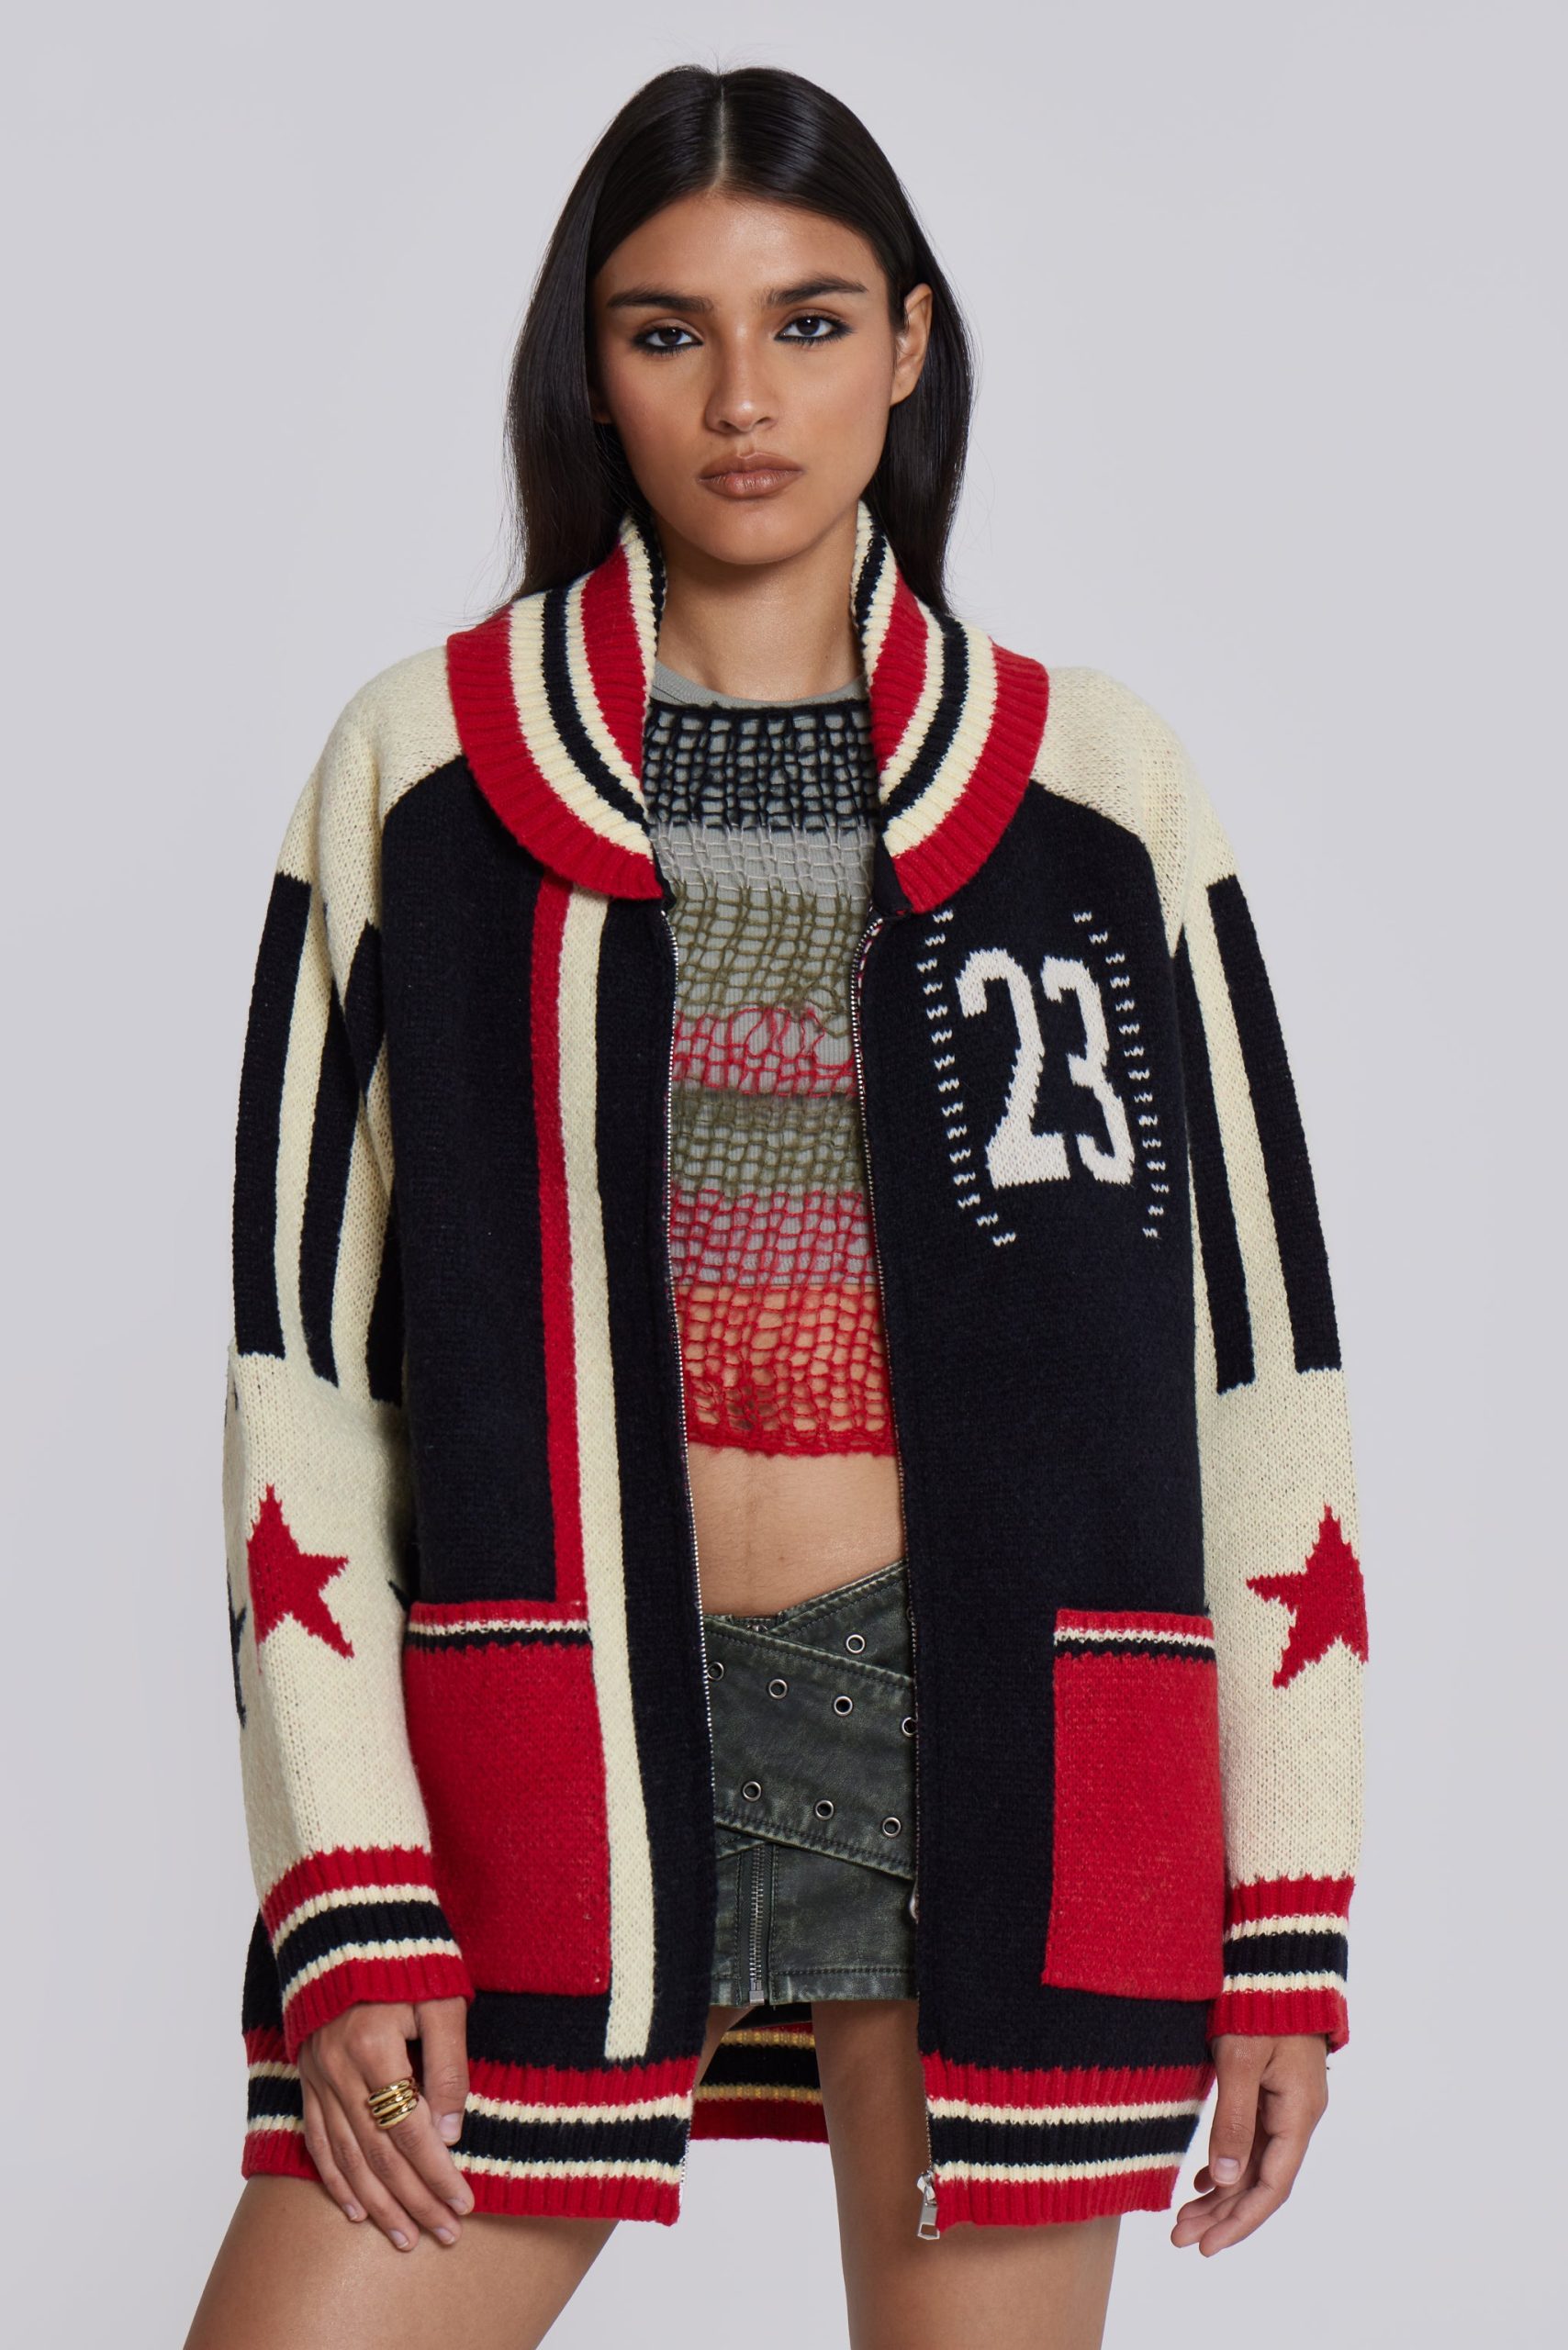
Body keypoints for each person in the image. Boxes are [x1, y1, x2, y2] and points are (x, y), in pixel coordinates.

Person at [186, 61, 1368, 2350]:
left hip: (990, 1740)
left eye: (808, 322)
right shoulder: (423, 772)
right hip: (553, 1739)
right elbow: (300, 1364)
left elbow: (1256, 1362)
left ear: (906, 345)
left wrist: (1285, 1911)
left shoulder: (1094, 788)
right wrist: (347, 1873)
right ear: (588, 366)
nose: (743, 397)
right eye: (668, 330)